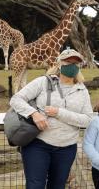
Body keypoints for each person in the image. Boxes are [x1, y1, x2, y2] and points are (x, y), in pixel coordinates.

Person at [9, 48, 93, 189]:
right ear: (59, 63)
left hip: (67, 148)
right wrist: (34, 114)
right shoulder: (43, 82)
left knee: (58, 185)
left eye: (76, 63)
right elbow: (16, 99)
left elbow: (88, 119)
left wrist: (59, 112)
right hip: (39, 144)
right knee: (35, 185)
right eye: (68, 62)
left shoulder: (82, 91)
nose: (72, 65)